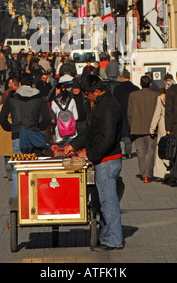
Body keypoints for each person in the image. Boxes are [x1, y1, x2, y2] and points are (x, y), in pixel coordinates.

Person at [65, 75, 124, 251]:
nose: (85, 97)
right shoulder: (102, 104)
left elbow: (106, 138)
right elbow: (92, 131)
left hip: (107, 160)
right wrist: (74, 144)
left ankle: (113, 240)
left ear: (96, 91)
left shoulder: (108, 107)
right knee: (105, 201)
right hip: (103, 160)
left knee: (108, 201)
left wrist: (89, 154)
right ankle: (107, 236)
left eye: (87, 94)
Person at [0, 73, 51, 197]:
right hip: (33, 135)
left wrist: (12, 129)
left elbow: (3, 119)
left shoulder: (11, 97)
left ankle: (18, 200)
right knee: (34, 168)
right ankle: (35, 198)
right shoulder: (39, 97)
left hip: (18, 136)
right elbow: (47, 118)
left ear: (19, 84)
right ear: (32, 83)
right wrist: (38, 128)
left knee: (17, 169)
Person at [127, 75, 159, 182]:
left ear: (140, 84)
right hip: (151, 127)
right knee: (150, 151)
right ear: (150, 84)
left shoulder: (133, 95)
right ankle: (147, 174)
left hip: (137, 127)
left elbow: (129, 113)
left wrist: (131, 126)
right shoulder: (156, 95)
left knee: (140, 151)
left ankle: (142, 172)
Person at [149, 73, 175, 180]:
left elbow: (156, 114)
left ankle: (161, 172)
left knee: (162, 146)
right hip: (174, 124)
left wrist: (152, 128)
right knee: (174, 147)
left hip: (162, 124)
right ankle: (173, 170)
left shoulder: (161, 97)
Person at [113, 70, 139, 159]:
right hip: (133, 114)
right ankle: (129, 152)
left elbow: (114, 103)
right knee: (130, 133)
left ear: (122, 77)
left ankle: (121, 152)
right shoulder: (135, 88)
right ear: (130, 78)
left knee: (121, 133)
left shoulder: (117, 89)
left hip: (121, 113)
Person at [51, 75, 78, 144]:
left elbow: (53, 119)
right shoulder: (71, 100)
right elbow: (76, 117)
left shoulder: (54, 102)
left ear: (58, 90)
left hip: (59, 133)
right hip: (72, 132)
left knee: (61, 152)